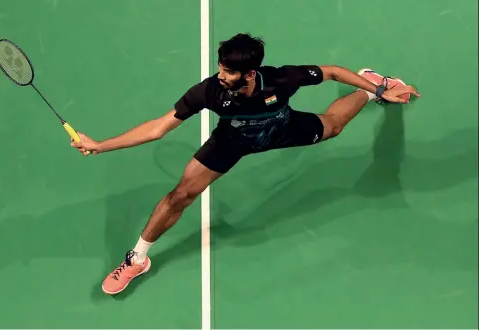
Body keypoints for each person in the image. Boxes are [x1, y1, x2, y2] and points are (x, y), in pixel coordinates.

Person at [71, 33, 420, 295]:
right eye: (221, 68)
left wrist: (380, 91)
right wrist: (102, 145)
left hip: (281, 128)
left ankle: (369, 85)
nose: (221, 75)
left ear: (250, 73)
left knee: (334, 126)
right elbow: (160, 128)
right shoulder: (209, 92)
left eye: (228, 71)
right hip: (232, 143)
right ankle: (137, 259)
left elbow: (330, 72)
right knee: (180, 195)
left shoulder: (282, 79)